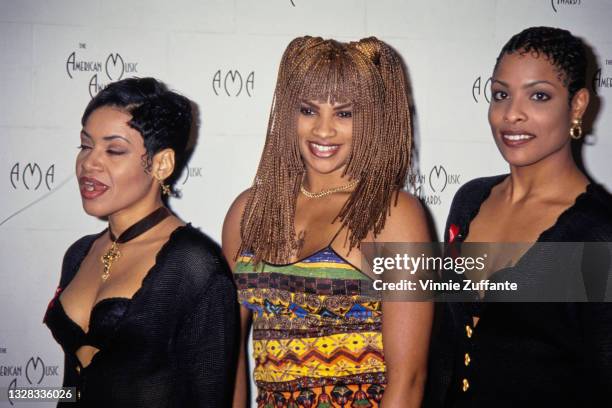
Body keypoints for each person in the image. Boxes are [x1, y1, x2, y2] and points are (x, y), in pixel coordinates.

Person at [223, 36, 433, 408]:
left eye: (345, 113)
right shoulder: (249, 210)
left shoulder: (396, 216)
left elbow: (409, 380)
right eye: (308, 110)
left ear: (372, 120)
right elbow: (228, 355)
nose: (323, 130)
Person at [426, 27, 612, 407]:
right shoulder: (469, 200)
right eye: (501, 95)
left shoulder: (598, 234)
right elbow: (446, 347)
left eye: (539, 96)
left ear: (577, 105)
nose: (511, 114)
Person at [43, 77, 238, 407]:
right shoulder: (78, 254)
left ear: (161, 163)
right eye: (85, 145)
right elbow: (70, 387)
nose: (89, 163)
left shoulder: (195, 266)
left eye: (114, 150)